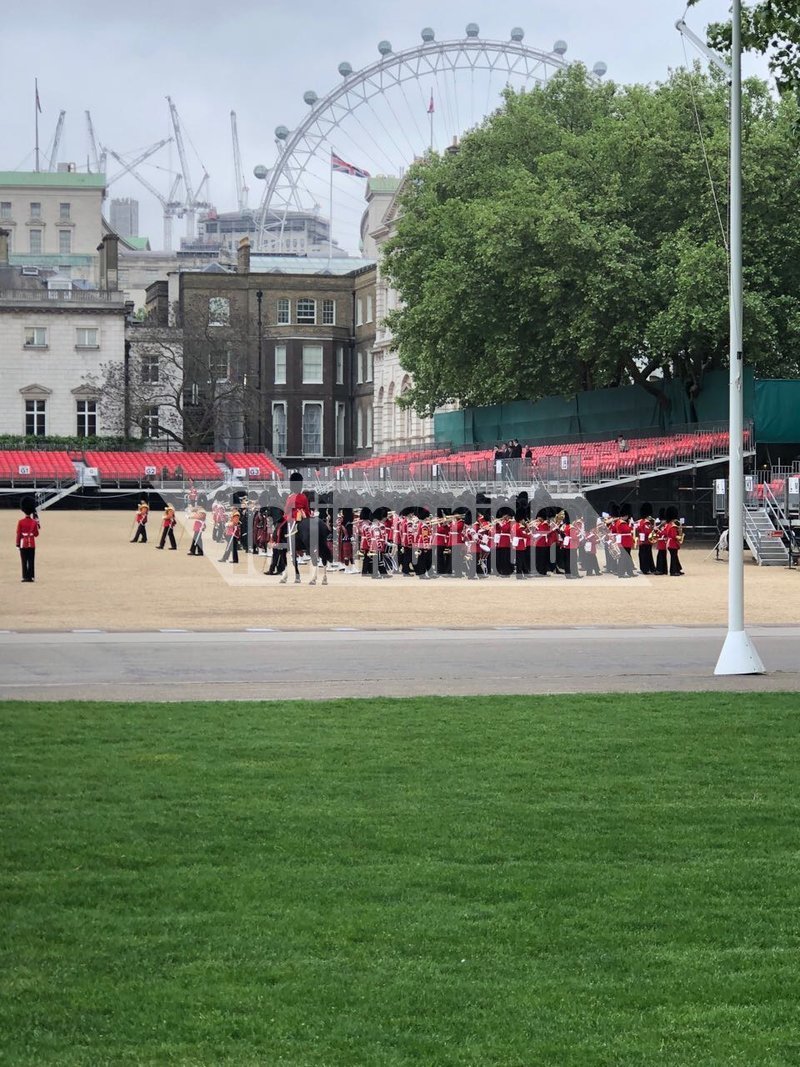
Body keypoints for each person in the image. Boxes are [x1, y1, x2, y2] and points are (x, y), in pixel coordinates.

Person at [16, 496, 40, 582]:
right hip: (32, 543)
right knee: (31, 560)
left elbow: (18, 534)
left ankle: (25, 576)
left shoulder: (20, 522)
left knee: (24, 561)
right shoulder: (34, 522)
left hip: (23, 543)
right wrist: (36, 525)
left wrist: (17, 544)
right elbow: (36, 534)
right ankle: (31, 576)